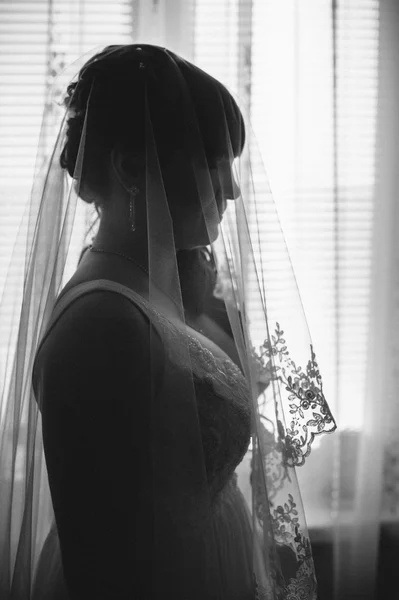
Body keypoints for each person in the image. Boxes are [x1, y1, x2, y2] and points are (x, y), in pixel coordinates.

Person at [0, 44, 336, 599]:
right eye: (213, 163)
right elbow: (104, 570)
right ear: (132, 167)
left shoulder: (156, 293)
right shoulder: (99, 326)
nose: (229, 187)